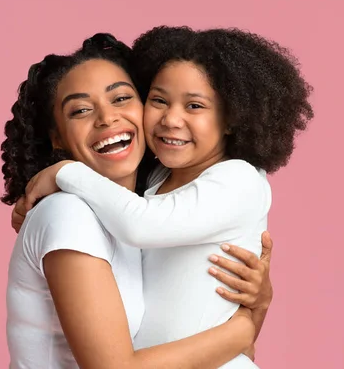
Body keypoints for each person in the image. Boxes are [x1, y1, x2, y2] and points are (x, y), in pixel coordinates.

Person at [23, 26, 313, 368]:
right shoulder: (156, 178)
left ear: (232, 119)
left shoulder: (238, 179)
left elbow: (140, 224)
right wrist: (243, 329)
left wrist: (63, 172)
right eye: (159, 100)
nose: (171, 119)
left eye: (194, 105)